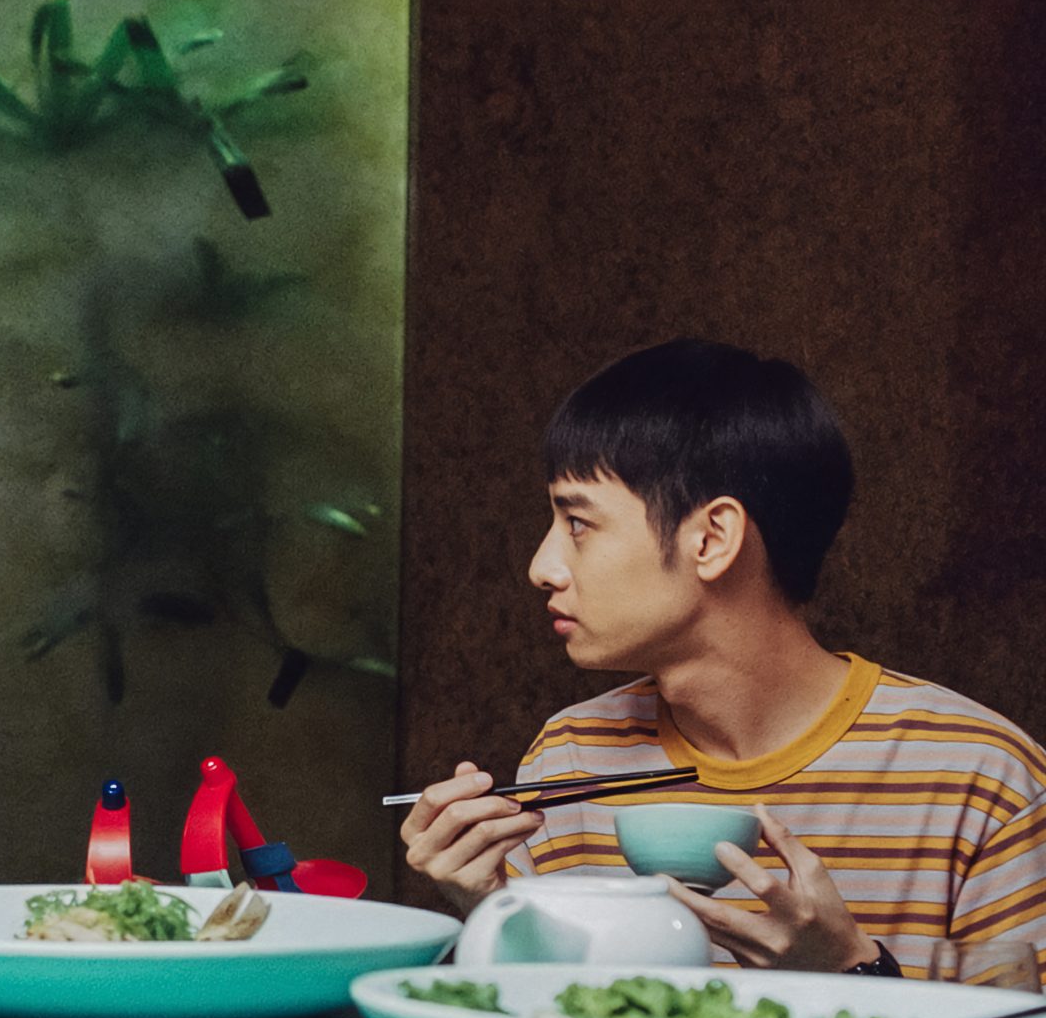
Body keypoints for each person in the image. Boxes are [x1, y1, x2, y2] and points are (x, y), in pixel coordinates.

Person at [402, 339, 1046, 977]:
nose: (541, 567)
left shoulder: (982, 779)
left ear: (711, 539)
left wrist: (852, 971)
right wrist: (491, 905)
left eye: (577, 523)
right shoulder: (571, 757)